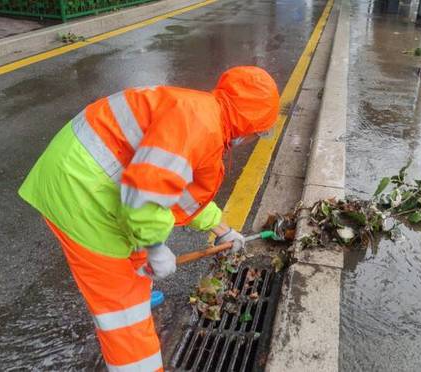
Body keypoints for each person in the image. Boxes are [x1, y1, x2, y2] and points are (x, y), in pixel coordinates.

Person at [18, 66, 280, 371]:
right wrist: (155, 246)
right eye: (258, 133)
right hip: (81, 194)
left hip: (84, 177)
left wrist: (221, 229)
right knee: (123, 316)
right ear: (249, 126)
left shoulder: (202, 114)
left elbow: (178, 190)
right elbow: (145, 191)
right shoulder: (200, 126)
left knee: (135, 270)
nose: (252, 139)